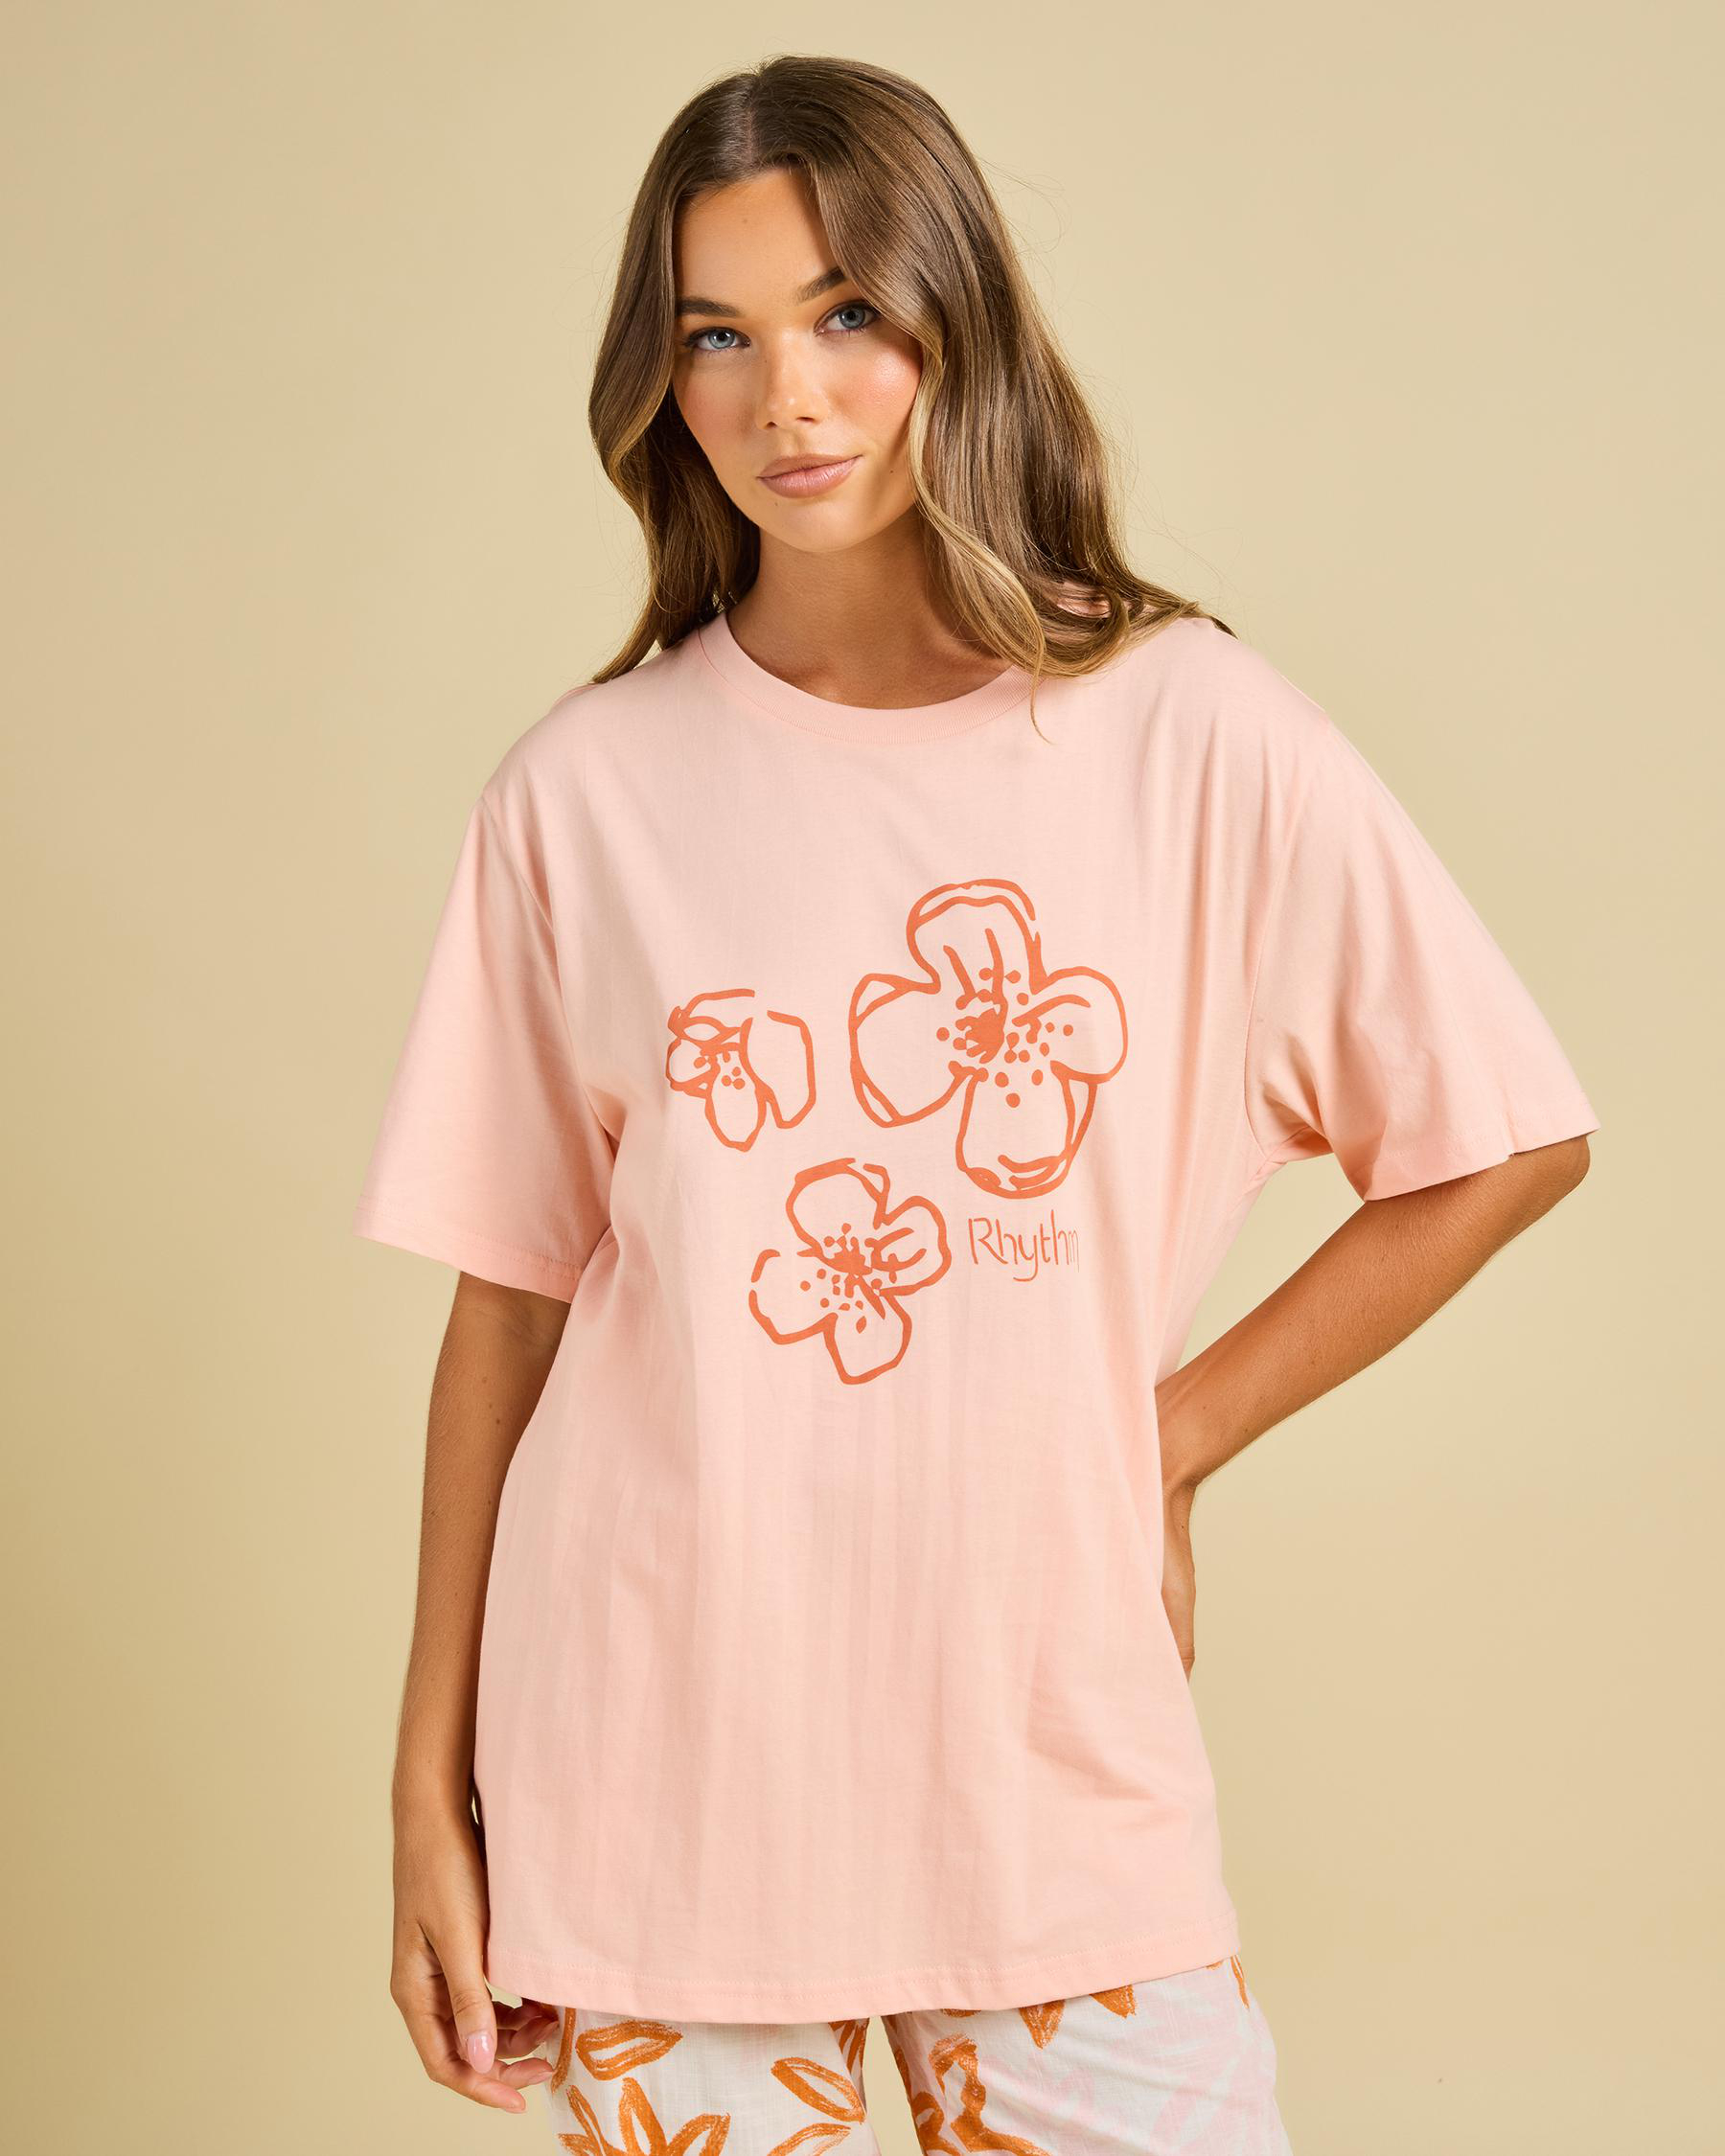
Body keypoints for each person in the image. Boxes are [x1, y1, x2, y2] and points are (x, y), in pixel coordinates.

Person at [351, 56, 1598, 2154]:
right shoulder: (583, 795)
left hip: (1045, 1765)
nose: (789, 398)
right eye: (718, 337)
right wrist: (424, 1793)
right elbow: (510, 1302)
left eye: (847, 312)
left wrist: (1166, 1439)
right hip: (655, 1782)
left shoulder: (1187, 735)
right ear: (662, 380)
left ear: (958, 319)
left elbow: (1502, 1136)